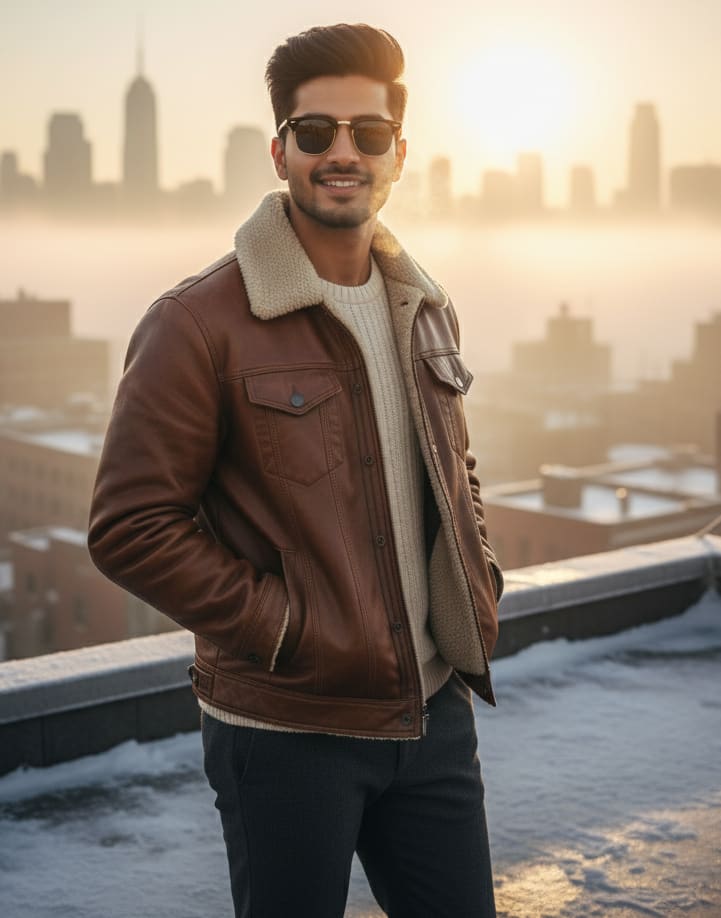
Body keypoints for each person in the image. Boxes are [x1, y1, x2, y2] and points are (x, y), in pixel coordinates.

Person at [88, 22, 503, 918]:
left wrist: (477, 583)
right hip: (285, 732)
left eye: (368, 133)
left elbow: (453, 468)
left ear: (400, 154)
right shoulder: (196, 323)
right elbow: (129, 528)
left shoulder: (422, 304)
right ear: (279, 152)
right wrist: (288, 629)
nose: (342, 153)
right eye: (315, 133)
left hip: (433, 716)